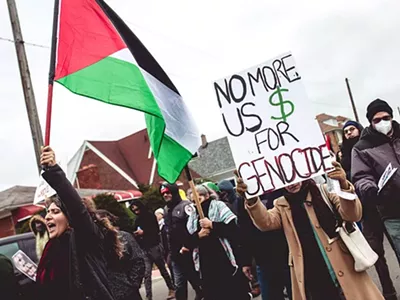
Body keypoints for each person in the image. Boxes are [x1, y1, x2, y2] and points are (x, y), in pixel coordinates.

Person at [241, 161, 384, 300]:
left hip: (342, 268)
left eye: (295, 175)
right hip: (312, 277)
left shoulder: (324, 191)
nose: (292, 182)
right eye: (286, 179)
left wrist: (344, 185)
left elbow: (353, 215)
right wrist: (252, 200)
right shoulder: (281, 204)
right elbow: (265, 223)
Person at [38, 146, 120, 300]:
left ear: (71, 220)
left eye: (55, 212)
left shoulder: (85, 238)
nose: (48, 216)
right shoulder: (51, 249)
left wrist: (54, 171)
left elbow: (76, 208)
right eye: (47, 212)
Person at [343, 116, 397, 300]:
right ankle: (388, 290)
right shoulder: (343, 155)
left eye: (351, 129)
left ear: (359, 129)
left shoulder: (371, 145)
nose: (349, 133)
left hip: (386, 206)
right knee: (376, 253)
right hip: (366, 209)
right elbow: (353, 179)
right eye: (345, 132)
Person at [187, 185, 251, 300]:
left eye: (199, 200)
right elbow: (188, 241)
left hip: (225, 260)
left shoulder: (219, 206)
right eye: (193, 202)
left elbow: (234, 230)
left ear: (206, 196)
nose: (197, 204)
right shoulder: (193, 216)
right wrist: (198, 235)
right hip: (206, 264)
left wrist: (212, 225)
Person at [238, 189, 292, 300]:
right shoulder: (244, 197)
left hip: (289, 255)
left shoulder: (282, 188)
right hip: (263, 260)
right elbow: (244, 231)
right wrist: (246, 262)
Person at [160, 183, 203, 300]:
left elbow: (194, 227)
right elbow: (167, 232)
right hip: (175, 254)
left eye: (168, 192)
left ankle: (201, 293)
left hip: (189, 251)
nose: (165, 195)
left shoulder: (186, 206)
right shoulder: (166, 209)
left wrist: (189, 245)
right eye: (163, 193)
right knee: (179, 285)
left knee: (196, 280)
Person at [130, 200, 175, 300]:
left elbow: (155, 231)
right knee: (147, 274)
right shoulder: (137, 220)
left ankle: (172, 288)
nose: (135, 211)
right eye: (133, 209)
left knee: (162, 270)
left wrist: (144, 232)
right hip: (144, 249)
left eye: (136, 208)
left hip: (154, 246)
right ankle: (148, 296)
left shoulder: (150, 216)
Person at [97, 209, 145, 300]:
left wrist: (132, 284)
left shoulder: (123, 237)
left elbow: (138, 260)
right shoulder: (95, 242)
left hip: (126, 290)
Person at [154, 208, 174, 284]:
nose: (156, 216)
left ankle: (174, 280)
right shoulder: (157, 226)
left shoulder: (165, 224)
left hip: (169, 247)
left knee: (170, 264)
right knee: (169, 265)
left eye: (157, 214)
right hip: (163, 248)